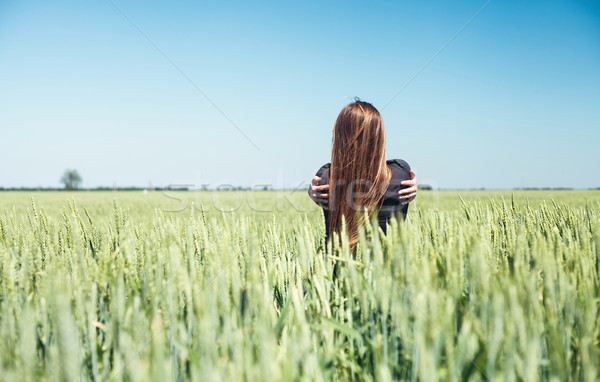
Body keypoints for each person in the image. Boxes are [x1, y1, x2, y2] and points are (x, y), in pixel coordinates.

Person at [307, 99, 417, 247]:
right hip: (389, 268)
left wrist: (310, 191)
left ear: (340, 136)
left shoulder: (325, 176)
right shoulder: (401, 173)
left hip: (334, 268)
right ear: (379, 137)